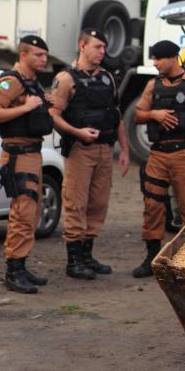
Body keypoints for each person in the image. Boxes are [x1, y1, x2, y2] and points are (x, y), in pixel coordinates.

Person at [132, 40, 185, 278]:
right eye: (154, 59)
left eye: (158, 58)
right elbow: (138, 115)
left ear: (173, 58)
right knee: (152, 206)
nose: (155, 63)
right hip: (158, 153)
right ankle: (152, 256)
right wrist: (154, 114)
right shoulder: (153, 85)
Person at [49, 29, 130, 280]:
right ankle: (74, 261)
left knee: (98, 203)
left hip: (105, 148)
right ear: (82, 45)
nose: (102, 52)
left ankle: (87, 255)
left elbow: (116, 115)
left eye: (104, 48)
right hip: (80, 150)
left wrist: (125, 150)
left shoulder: (107, 78)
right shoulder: (66, 79)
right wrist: (77, 132)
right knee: (76, 201)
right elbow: (53, 114)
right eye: (97, 47)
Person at [0, 35, 56, 294]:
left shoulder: (31, 83)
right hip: (17, 155)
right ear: (24, 55)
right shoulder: (11, 82)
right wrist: (26, 107)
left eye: (45, 55)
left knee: (33, 212)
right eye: (38, 55)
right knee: (22, 213)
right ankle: (13, 271)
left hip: (33, 153)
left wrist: (42, 105)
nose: (43, 59)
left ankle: (22, 265)